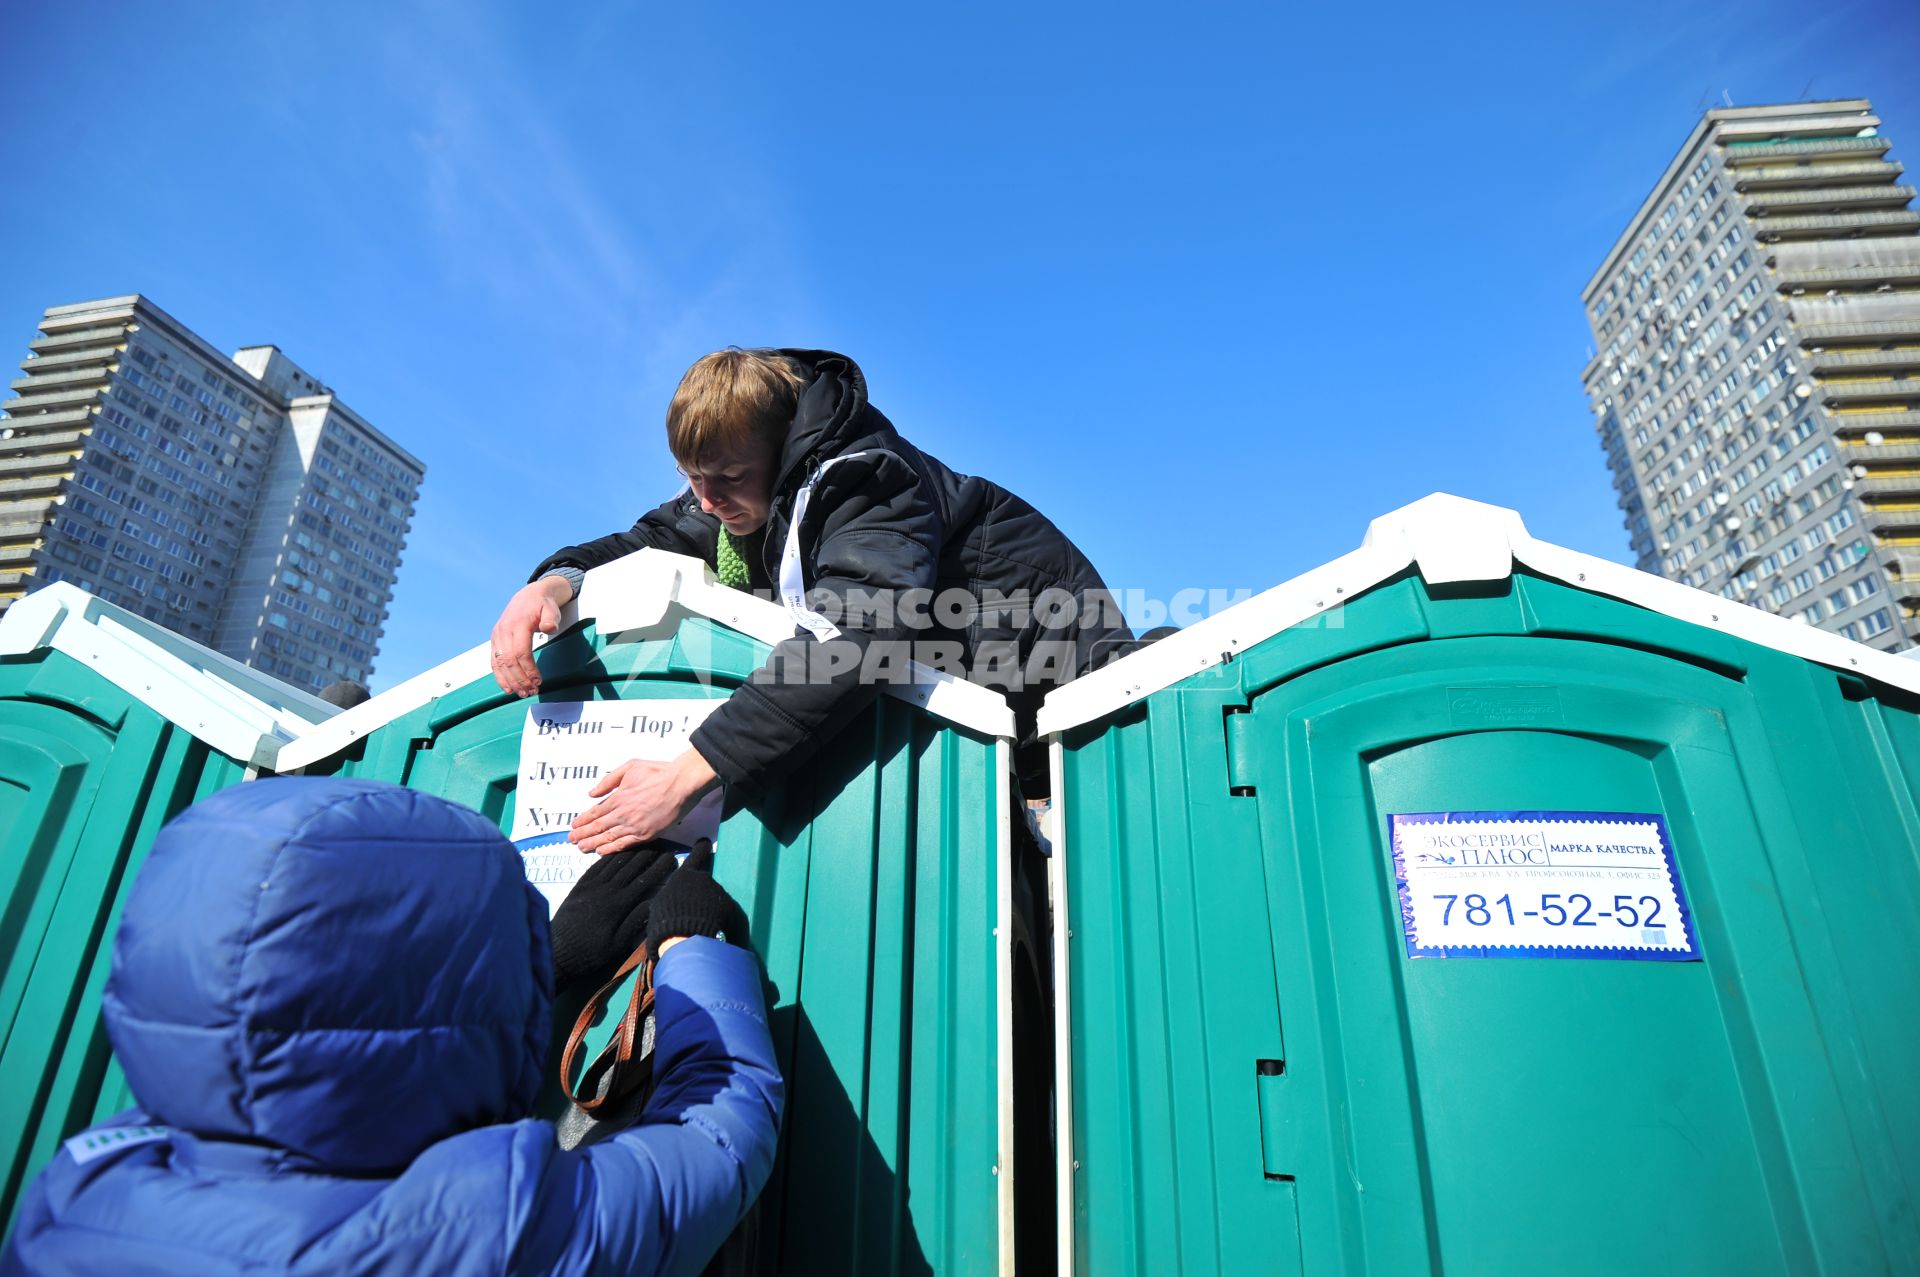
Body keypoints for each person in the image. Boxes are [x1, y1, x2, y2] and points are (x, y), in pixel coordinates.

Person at [1, 778, 782, 1277]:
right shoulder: (488, 1232)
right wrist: (691, 945)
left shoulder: (82, 1180)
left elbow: (300, 1029)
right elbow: (721, 1130)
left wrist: (540, 969)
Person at [489, 348, 1133, 854]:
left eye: (728, 479)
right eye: (692, 479)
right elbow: (648, 542)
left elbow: (856, 635)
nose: (707, 500)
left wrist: (687, 773)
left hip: (1055, 727)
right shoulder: (733, 492)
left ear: (786, 444)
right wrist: (555, 583)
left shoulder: (869, 478)